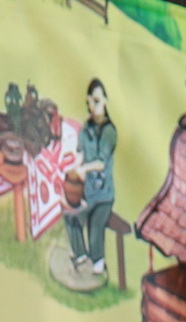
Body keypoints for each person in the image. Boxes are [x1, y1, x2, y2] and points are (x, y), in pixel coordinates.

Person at [64, 81, 116, 279]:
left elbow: (101, 163)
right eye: (89, 102)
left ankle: (97, 262)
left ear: (105, 101)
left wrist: (83, 168)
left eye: (97, 101)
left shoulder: (109, 131)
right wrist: (73, 168)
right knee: (71, 216)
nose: (93, 106)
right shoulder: (85, 128)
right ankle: (80, 255)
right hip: (86, 192)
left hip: (103, 195)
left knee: (96, 227)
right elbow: (80, 153)